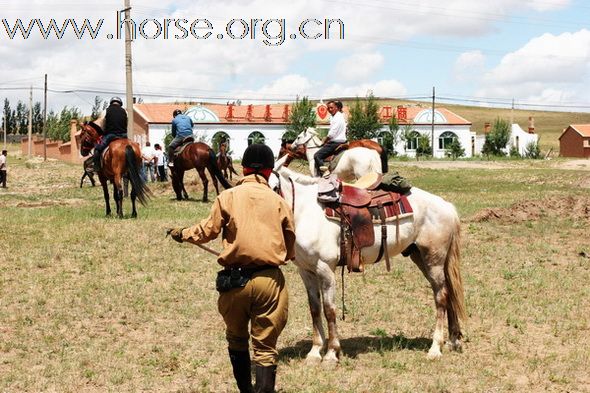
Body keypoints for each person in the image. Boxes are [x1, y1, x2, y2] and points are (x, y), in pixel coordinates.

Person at [167, 144, 295, 393]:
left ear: (244, 168)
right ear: (269, 172)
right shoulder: (279, 201)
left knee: (237, 340)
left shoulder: (227, 197)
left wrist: (182, 233)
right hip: (269, 283)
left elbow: (207, 231)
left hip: (234, 284)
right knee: (265, 349)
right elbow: (291, 246)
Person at [93, 97, 128, 171]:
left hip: (111, 135)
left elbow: (102, 124)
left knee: (97, 149)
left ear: (111, 103)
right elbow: (126, 123)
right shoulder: (125, 111)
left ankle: (97, 167)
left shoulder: (105, 111)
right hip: (124, 135)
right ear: (120, 103)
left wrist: (103, 131)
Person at [313, 100, 347, 176]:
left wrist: (324, 141)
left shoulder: (337, 118)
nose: (329, 110)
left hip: (335, 143)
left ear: (337, 108)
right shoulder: (339, 116)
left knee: (317, 156)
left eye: (331, 108)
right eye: (328, 108)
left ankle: (325, 172)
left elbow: (331, 134)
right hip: (341, 141)